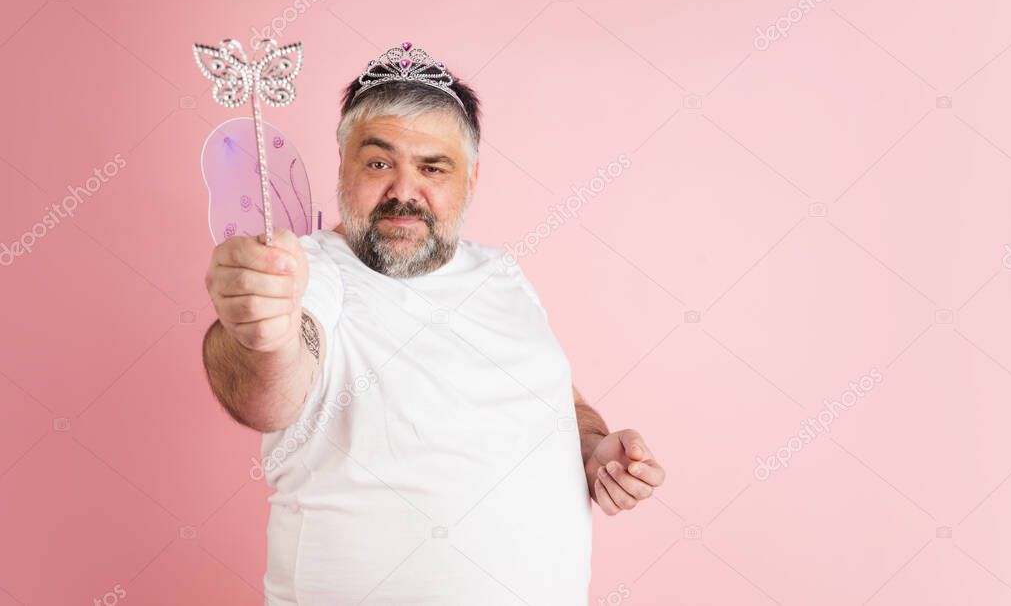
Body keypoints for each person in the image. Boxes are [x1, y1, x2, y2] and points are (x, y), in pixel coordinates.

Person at [201, 42, 666, 605]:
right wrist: (263, 334)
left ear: (469, 181)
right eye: (378, 163)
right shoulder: (310, 272)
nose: (403, 191)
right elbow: (270, 390)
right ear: (343, 168)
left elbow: (549, 396)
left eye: (432, 167)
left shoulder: (501, 273)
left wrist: (592, 449)